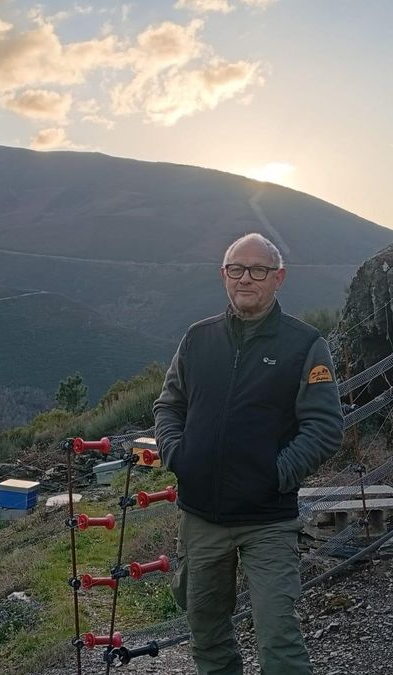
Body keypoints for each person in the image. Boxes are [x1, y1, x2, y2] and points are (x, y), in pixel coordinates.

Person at [154, 233, 345, 674]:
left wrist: (275, 475)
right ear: (224, 275)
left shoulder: (304, 345)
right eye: (237, 269)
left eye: (258, 270)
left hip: (268, 522)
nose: (246, 278)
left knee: (278, 637)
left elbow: (325, 427)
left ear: (278, 278)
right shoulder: (198, 339)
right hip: (201, 518)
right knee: (207, 634)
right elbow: (169, 404)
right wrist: (177, 455)